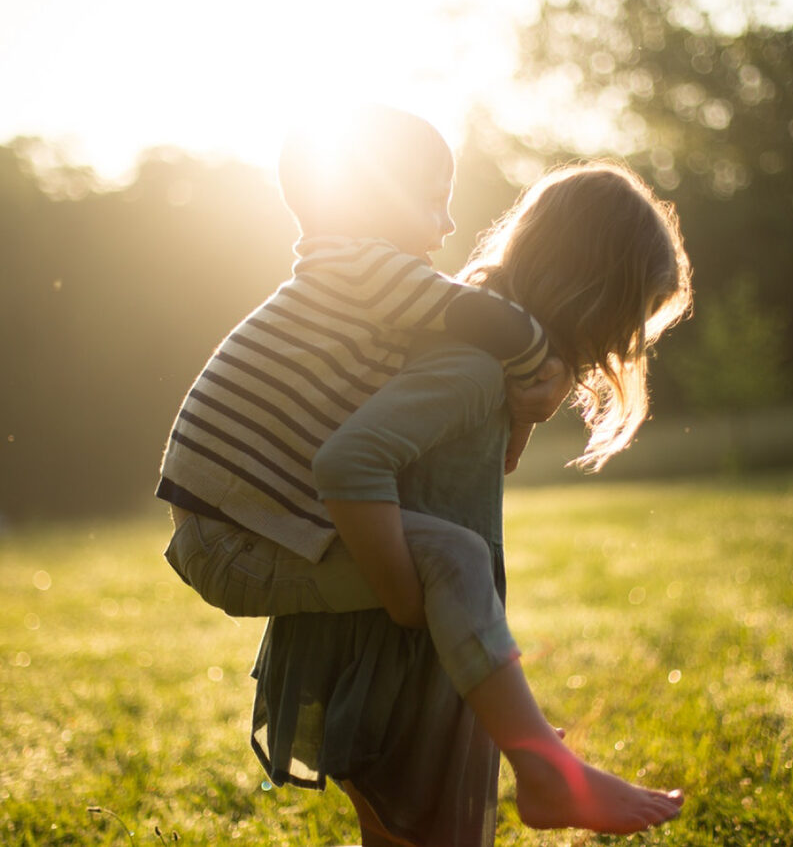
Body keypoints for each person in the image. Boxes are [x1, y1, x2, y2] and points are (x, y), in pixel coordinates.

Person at [251, 160, 693, 846]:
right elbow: (349, 462)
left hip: (410, 633)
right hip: (395, 638)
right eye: (629, 317)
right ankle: (548, 774)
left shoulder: (487, 355)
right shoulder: (473, 365)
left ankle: (542, 767)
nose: (623, 342)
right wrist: (404, 599)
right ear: (592, 294)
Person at [156, 104, 567, 771]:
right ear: (377, 200)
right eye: (437, 202)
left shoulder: (348, 279)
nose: (451, 224)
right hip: (234, 540)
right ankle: (532, 756)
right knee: (453, 560)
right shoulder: (364, 269)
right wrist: (540, 373)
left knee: (444, 556)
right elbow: (493, 322)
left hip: (229, 531)